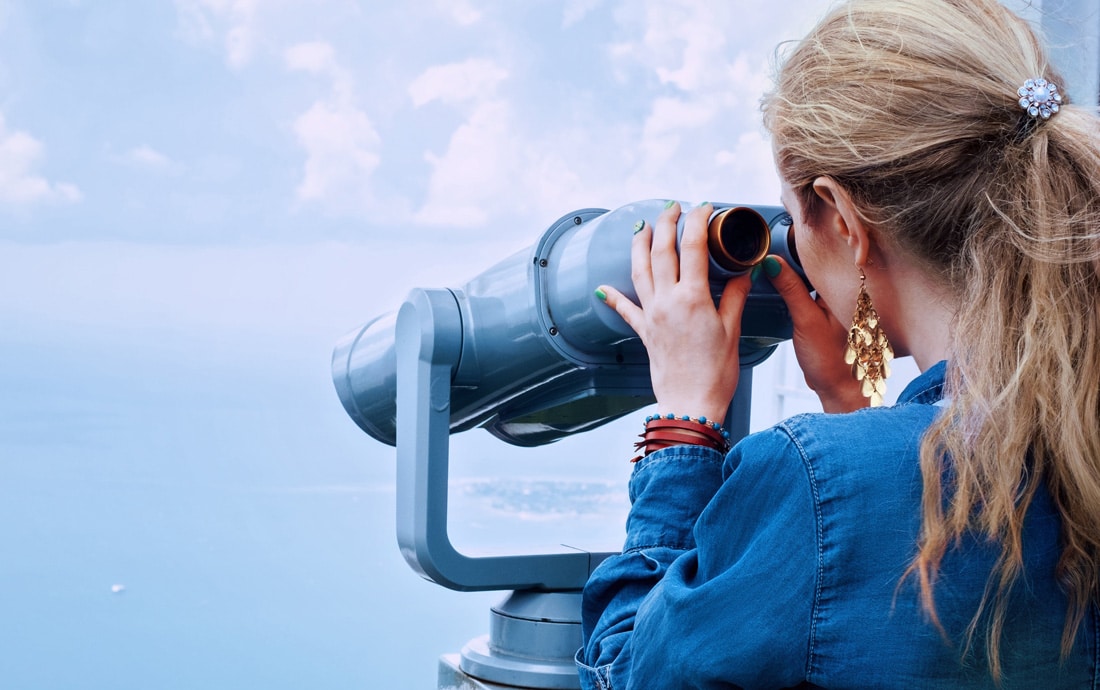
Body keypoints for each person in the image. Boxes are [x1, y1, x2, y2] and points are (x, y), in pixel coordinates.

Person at [580, 0, 1100, 687]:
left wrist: (685, 424)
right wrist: (857, 415)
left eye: (793, 220)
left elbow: (627, 674)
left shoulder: (812, 478)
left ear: (845, 219)